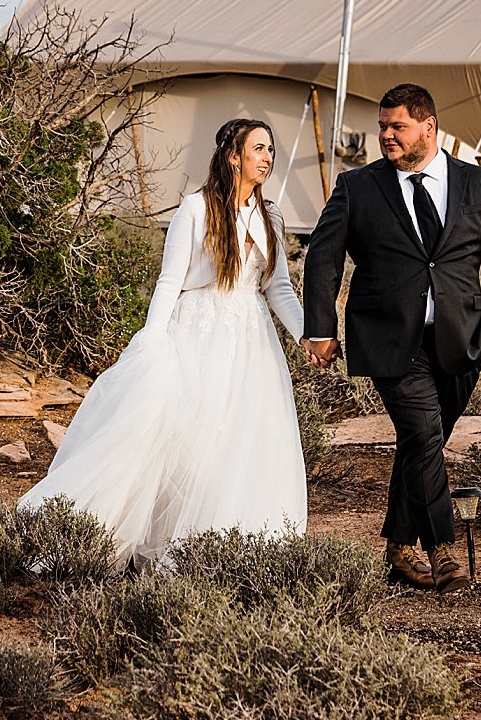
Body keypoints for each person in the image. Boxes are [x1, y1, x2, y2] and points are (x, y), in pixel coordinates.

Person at [20, 117, 307, 568]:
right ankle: (134, 542)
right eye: (258, 149)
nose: (267, 157)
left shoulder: (270, 216)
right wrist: (151, 343)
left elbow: (279, 289)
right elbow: (169, 282)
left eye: (270, 149)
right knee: (188, 440)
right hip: (198, 333)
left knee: (241, 440)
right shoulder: (195, 210)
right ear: (233, 156)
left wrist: (308, 335)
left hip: (252, 344)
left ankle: (227, 550)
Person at [303, 83, 481, 592]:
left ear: (429, 126)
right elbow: (323, 255)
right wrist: (320, 328)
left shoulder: (479, 185)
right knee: (424, 435)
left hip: (461, 338)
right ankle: (441, 547)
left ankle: (398, 548)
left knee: (421, 444)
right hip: (386, 338)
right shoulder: (357, 187)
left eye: (396, 126)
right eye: (382, 126)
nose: (385, 136)